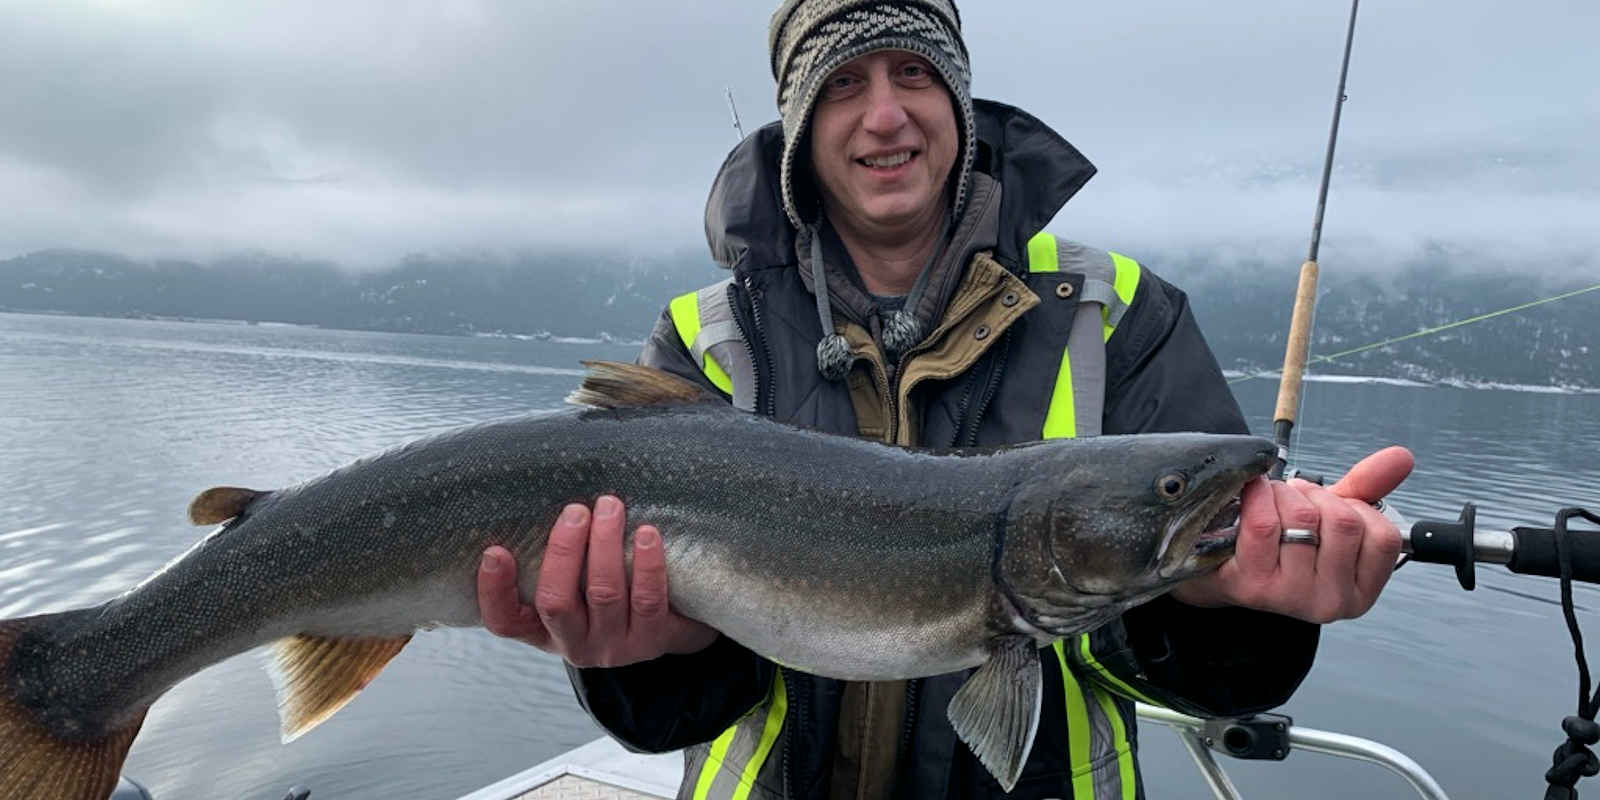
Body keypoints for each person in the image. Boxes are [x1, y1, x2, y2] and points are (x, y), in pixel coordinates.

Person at [476, 1, 1412, 797]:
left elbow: (1211, 669)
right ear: (801, 124)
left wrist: (1236, 610)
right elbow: (673, 709)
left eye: (915, 74)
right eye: (844, 83)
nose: (885, 116)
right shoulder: (708, 339)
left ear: (958, 102)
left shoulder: (1121, 315)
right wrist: (646, 655)